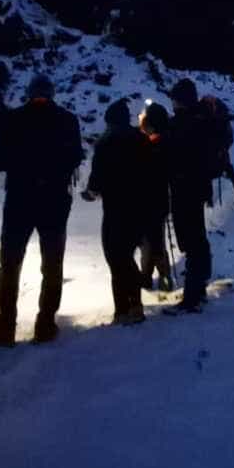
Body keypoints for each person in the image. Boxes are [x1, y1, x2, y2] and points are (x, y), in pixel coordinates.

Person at [0, 74, 84, 346]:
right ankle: (45, 325)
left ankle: (6, 329)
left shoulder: (13, 119)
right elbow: (76, 155)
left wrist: (22, 159)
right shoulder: (67, 119)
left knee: (10, 264)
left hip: (20, 198)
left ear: (29, 93)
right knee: (52, 263)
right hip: (54, 200)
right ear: (52, 93)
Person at [83, 99, 149, 326]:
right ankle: (135, 305)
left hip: (115, 208)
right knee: (127, 255)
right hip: (140, 207)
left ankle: (123, 308)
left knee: (115, 257)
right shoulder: (141, 139)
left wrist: (91, 192)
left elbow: (97, 178)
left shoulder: (106, 142)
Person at [167, 78, 214, 311]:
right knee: (197, 237)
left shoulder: (184, 123)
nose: (173, 103)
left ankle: (192, 298)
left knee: (191, 239)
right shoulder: (202, 120)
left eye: (175, 99)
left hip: (185, 188)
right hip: (197, 187)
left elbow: (172, 155)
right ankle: (199, 287)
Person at [137, 101, 174, 293]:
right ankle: (161, 277)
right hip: (160, 199)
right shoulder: (167, 141)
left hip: (148, 199)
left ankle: (152, 278)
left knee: (149, 241)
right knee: (155, 239)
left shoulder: (151, 145)